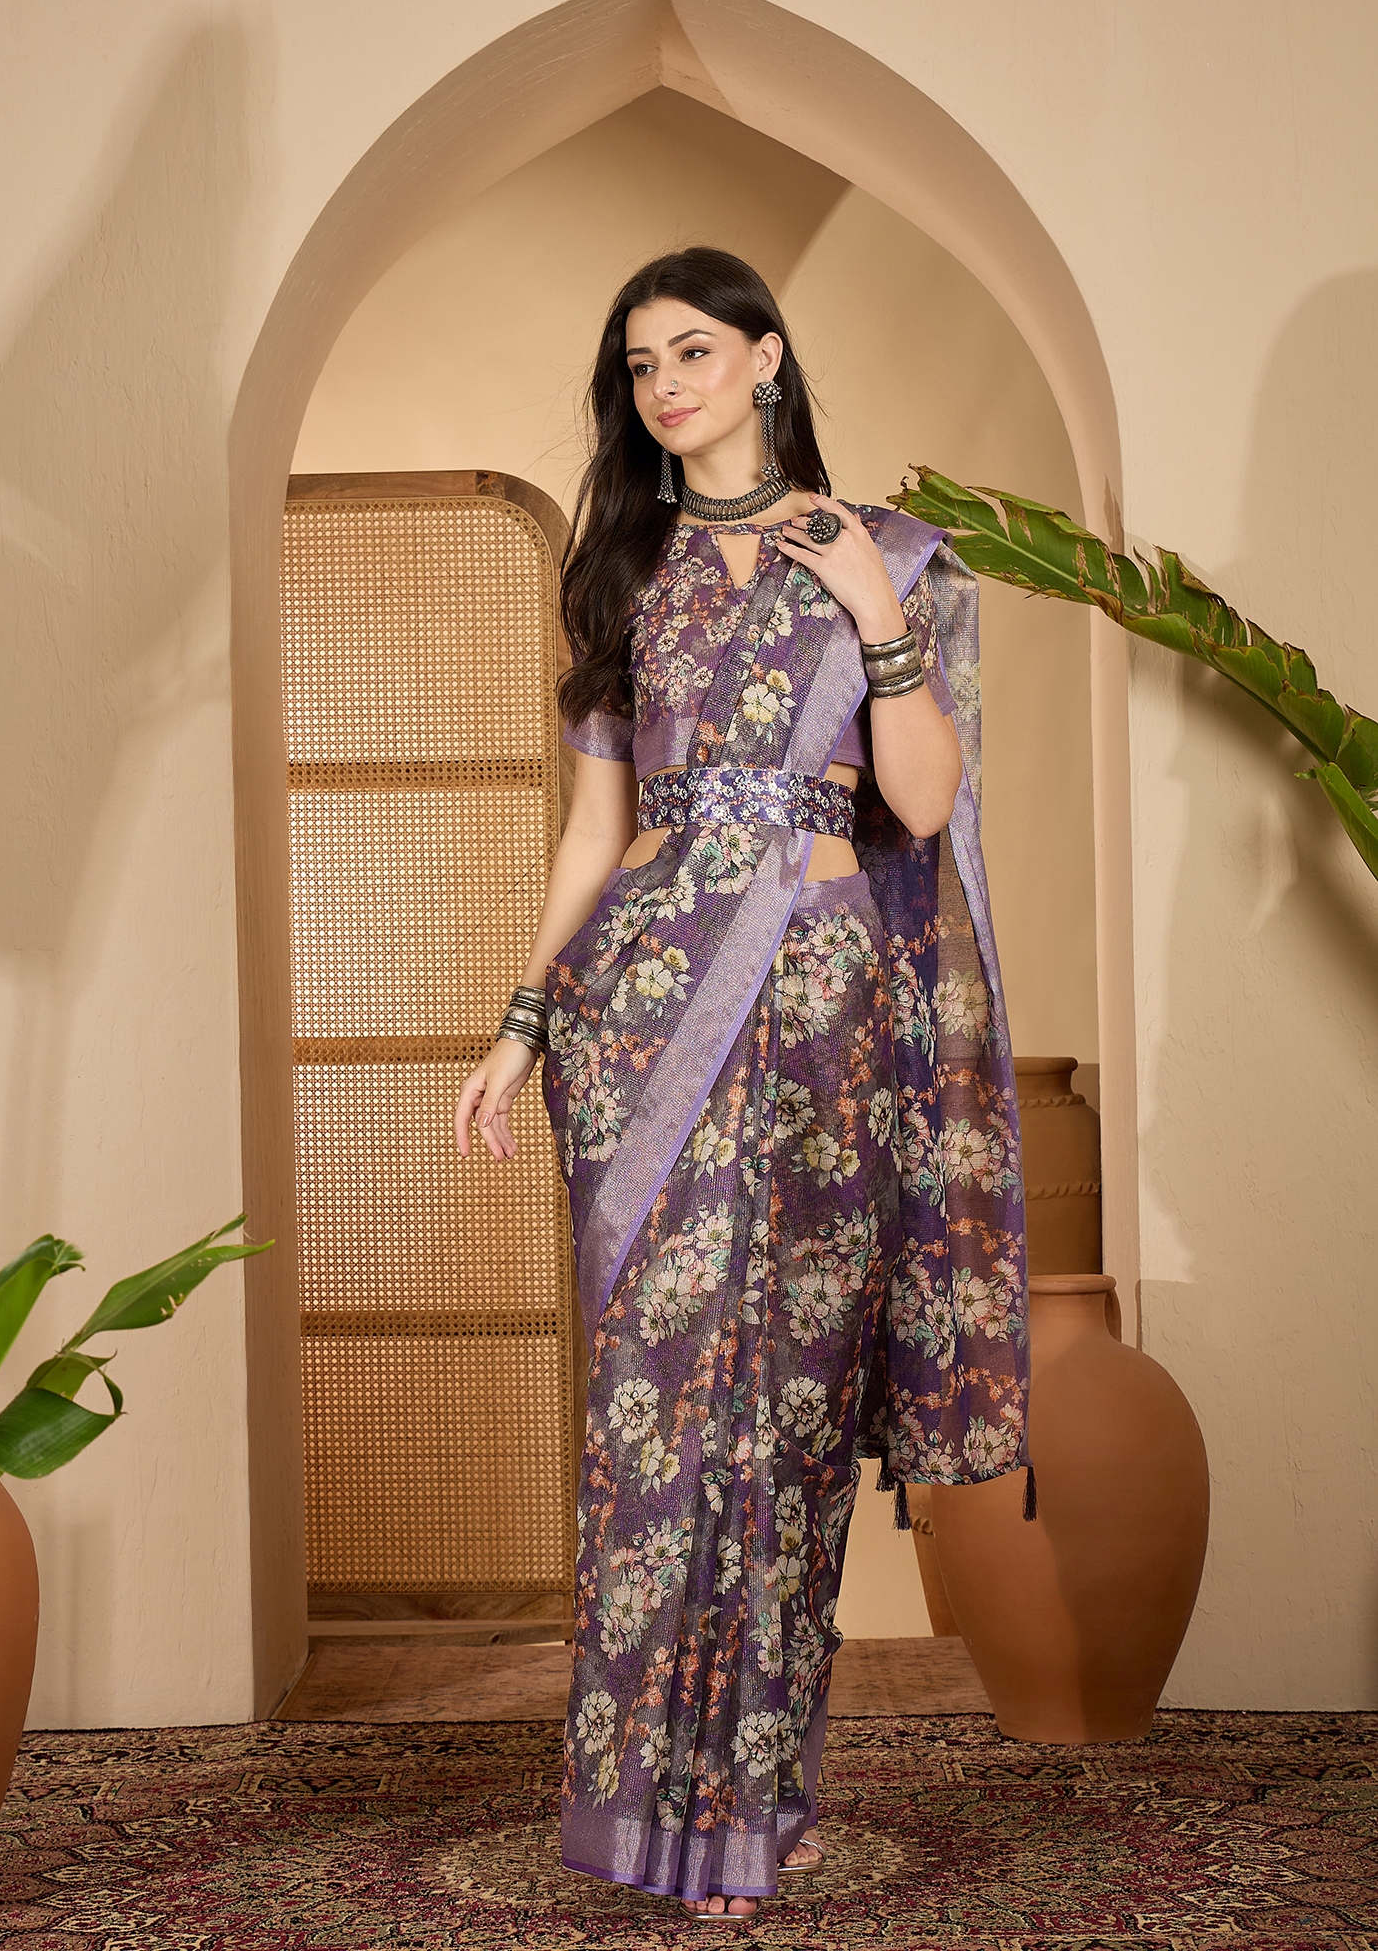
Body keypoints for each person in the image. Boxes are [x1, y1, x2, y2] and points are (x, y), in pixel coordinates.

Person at [455, 247, 1030, 1924]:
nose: (664, 387)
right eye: (640, 367)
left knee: (785, 1409)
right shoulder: (622, 574)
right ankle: (657, 1815)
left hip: (823, 1013)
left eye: (692, 353)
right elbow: (596, 830)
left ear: (768, 358)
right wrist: (521, 1022)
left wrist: (873, 614)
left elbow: (923, 807)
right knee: (659, 1407)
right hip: (644, 1013)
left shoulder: (895, 557)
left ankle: (757, 1802)